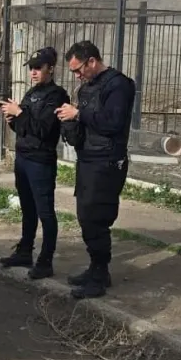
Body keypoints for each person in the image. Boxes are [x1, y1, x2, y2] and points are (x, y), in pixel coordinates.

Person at [55, 40, 136, 300]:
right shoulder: (88, 88)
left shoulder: (118, 85)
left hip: (107, 161)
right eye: (74, 73)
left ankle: (100, 275)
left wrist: (78, 114)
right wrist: (68, 124)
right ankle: (95, 268)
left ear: (92, 61)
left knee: (97, 218)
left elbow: (112, 122)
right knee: (85, 216)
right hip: (88, 159)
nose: (77, 76)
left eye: (79, 69)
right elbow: (86, 126)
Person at [0, 47, 71, 280]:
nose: (33, 72)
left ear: (51, 68)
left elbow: (44, 129)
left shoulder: (57, 95)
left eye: (38, 68)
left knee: (45, 212)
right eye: (31, 68)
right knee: (27, 208)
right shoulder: (32, 93)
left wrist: (19, 113)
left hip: (41, 161)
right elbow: (24, 128)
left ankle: (46, 260)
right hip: (23, 157)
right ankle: (24, 251)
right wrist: (13, 118)